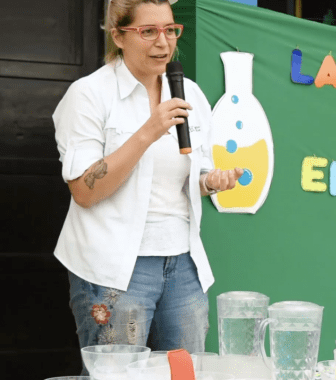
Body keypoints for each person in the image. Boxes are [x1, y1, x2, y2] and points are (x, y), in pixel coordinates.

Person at [52, 0, 241, 373]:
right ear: (119, 35)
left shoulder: (190, 93)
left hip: (183, 263)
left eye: (171, 30)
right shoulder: (89, 95)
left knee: (184, 373)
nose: (163, 43)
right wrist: (149, 132)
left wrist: (211, 181)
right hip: (115, 268)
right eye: (148, 31)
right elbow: (85, 191)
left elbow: (188, 177)